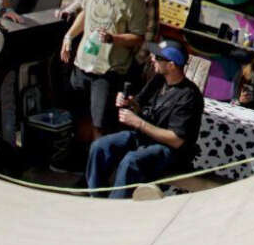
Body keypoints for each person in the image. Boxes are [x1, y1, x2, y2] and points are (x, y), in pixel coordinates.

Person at [85, 41, 204, 198]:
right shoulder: (159, 79)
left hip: (170, 151)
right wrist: (129, 102)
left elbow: (176, 140)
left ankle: (114, 209)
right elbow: (139, 105)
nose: (152, 58)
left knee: (130, 162)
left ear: (171, 65)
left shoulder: (189, 96)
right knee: (100, 146)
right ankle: (96, 197)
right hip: (144, 138)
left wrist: (138, 123)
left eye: (158, 57)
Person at [60, 0, 147, 135]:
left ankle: (94, 160)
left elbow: (138, 37)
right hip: (82, 62)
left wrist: (113, 38)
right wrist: (69, 36)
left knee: (99, 124)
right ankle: (74, 157)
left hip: (109, 70)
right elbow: (85, 12)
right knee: (74, 116)